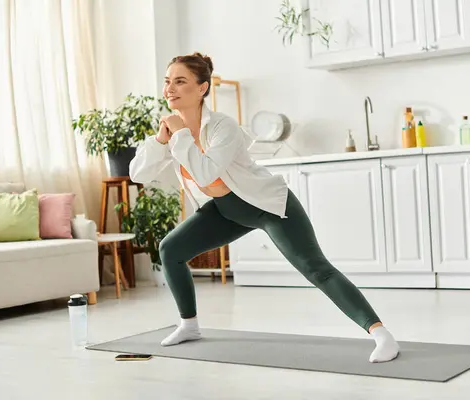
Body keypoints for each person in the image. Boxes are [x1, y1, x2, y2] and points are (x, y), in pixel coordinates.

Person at [129, 52, 400, 363]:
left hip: (266, 205)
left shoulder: (222, 127)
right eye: (167, 82)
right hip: (225, 208)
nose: (170, 89)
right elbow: (139, 174)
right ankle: (189, 325)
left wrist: (178, 136)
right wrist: (162, 141)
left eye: (180, 81)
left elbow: (206, 172)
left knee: (316, 269)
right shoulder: (173, 132)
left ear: (202, 88)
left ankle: (381, 335)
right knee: (170, 250)